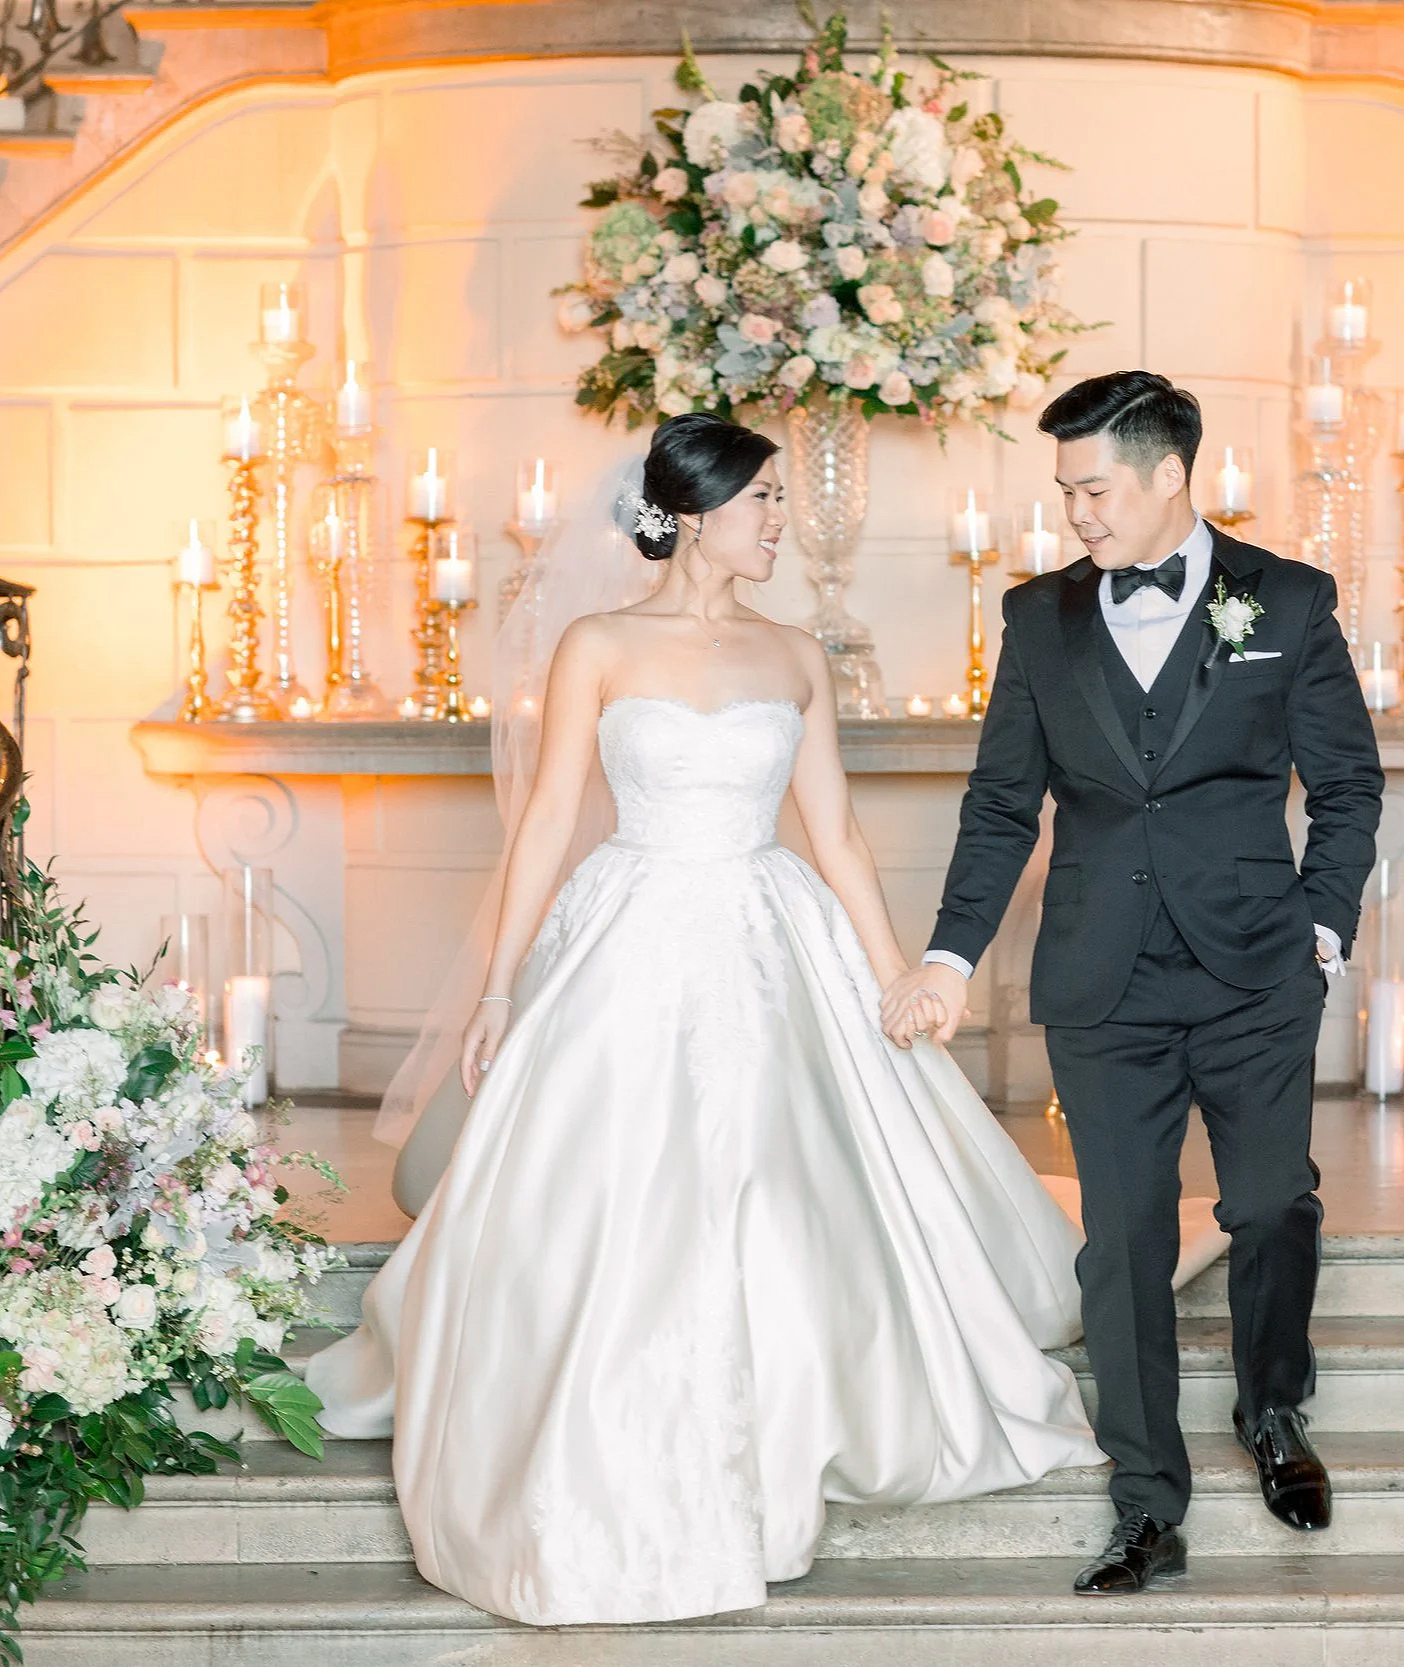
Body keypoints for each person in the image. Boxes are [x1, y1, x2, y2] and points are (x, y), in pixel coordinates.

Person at [305, 412, 1121, 1626]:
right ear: (690, 513)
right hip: (627, 926)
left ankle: (780, 1422)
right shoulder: (596, 643)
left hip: (764, 927)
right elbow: (542, 822)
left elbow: (833, 830)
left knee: (769, 1173)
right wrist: (495, 984)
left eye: (783, 500)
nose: (779, 520)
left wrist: (903, 974)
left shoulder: (794, 655)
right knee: (614, 1180)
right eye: (761, 501)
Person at [883, 371, 1384, 1594]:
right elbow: (1002, 804)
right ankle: (1145, 1501)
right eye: (1064, 493)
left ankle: (1271, 1410)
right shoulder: (1036, 616)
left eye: (1093, 488)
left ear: (1167, 475)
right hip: (1099, 978)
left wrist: (1320, 929)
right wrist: (947, 952)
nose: (1076, 517)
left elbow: (1348, 784)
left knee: (1267, 1204)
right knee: (1120, 1242)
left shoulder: (1288, 598)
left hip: (1257, 966)